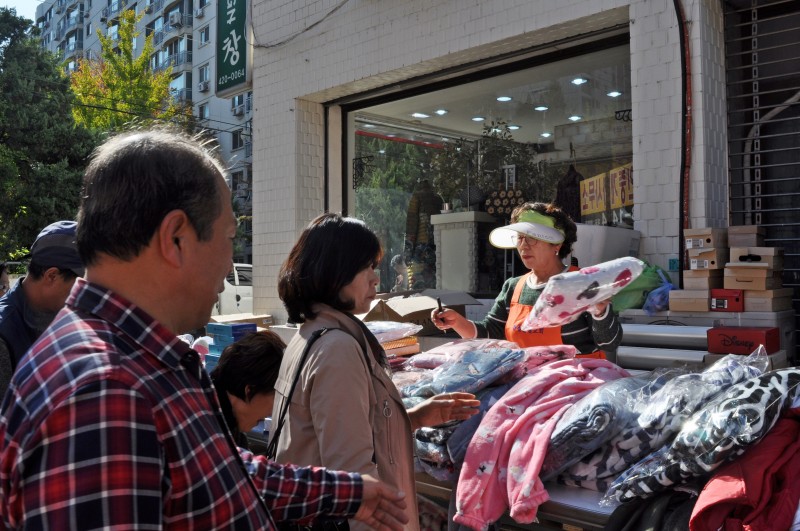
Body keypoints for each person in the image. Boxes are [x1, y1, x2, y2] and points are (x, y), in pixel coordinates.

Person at [0, 129, 409, 531]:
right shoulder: (107, 395)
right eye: (230, 238)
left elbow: (213, 472)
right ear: (176, 238)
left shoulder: (137, 358)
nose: (230, 265)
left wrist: (346, 492)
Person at [275, 212, 480, 531]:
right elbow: (354, 480)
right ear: (335, 272)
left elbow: (344, 431)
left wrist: (416, 418)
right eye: (366, 267)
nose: (375, 278)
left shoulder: (311, 334)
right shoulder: (337, 348)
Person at [431, 202, 622, 359]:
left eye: (532, 239)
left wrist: (601, 311)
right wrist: (457, 321)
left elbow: (609, 343)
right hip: (528, 385)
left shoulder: (582, 283)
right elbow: (491, 331)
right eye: (520, 238)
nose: (523, 246)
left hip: (577, 387)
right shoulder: (513, 287)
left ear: (556, 244)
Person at [0, 221, 85, 398]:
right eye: (81, 283)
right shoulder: (4, 334)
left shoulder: (71, 318)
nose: (86, 292)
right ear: (52, 276)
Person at [210, 329, 285, 450]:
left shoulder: (227, 425)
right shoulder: (206, 434)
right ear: (249, 390)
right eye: (276, 398)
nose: (271, 413)